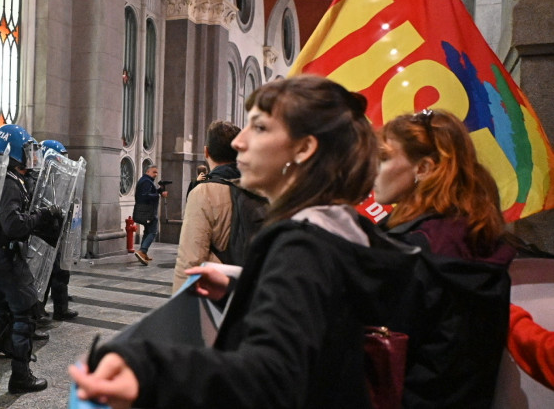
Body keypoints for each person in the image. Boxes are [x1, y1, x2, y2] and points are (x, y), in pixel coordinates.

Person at [70, 75, 409, 408]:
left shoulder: (303, 243)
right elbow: (315, 309)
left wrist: (149, 369)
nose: (238, 142)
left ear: (304, 148)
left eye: (260, 127)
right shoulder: (338, 226)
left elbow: (271, 378)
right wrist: (245, 285)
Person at [375, 108, 516, 407]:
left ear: (424, 168)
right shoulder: (480, 236)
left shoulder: (409, 249)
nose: (373, 167)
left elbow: (379, 352)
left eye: (384, 158)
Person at [0, 124, 60, 394]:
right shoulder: (9, 182)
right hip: (6, 256)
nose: (33, 156)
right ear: (17, 153)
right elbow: (14, 226)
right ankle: (20, 375)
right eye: (29, 150)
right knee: (25, 313)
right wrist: (41, 217)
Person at [172, 120, 265, 293]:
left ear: (206, 152)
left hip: (221, 294)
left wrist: (180, 312)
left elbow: (190, 261)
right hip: (258, 291)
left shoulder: (204, 192)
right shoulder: (263, 188)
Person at [38, 139, 78, 321]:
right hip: (44, 236)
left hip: (59, 232)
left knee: (61, 272)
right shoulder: (39, 180)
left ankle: (61, 308)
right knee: (44, 275)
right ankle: (38, 311)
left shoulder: (60, 180)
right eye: (61, 158)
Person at [132, 165, 167, 265]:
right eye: (154, 172)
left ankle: (144, 252)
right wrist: (159, 194)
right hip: (147, 211)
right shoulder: (146, 182)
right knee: (152, 232)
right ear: (147, 172)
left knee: (147, 231)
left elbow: (149, 193)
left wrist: (158, 191)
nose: (156, 174)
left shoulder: (146, 181)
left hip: (146, 211)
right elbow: (145, 196)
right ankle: (142, 251)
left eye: (157, 172)